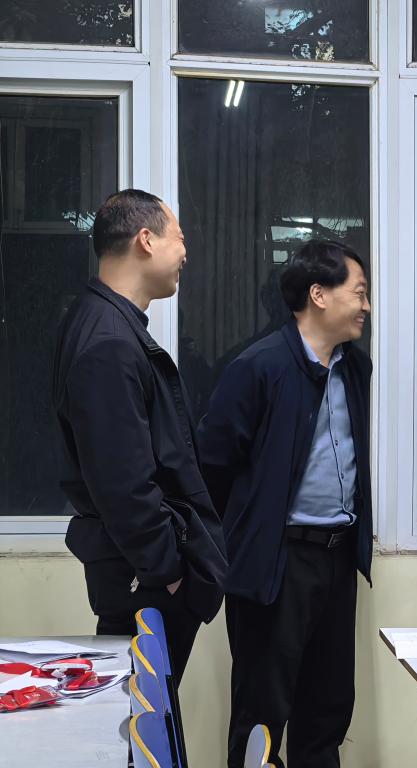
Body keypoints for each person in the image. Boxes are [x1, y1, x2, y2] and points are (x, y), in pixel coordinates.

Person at [198, 239, 373, 768]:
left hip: (337, 557)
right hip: (276, 563)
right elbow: (211, 468)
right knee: (262, 717)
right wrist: (241, 539)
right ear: (319, 294)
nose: (366, 306)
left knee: (327, 710)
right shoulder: (258, 367)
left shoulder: (355, 367)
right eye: (359, 292)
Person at [52, 189, 227, 685]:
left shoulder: (104, 323)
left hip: (140, 572)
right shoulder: (108, 340)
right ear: (146, 240)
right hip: (145, 580)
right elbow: (123, 484)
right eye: (180, 238)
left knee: (146, 716)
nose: (185, 253)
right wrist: (168, 572)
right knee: (144, 719)